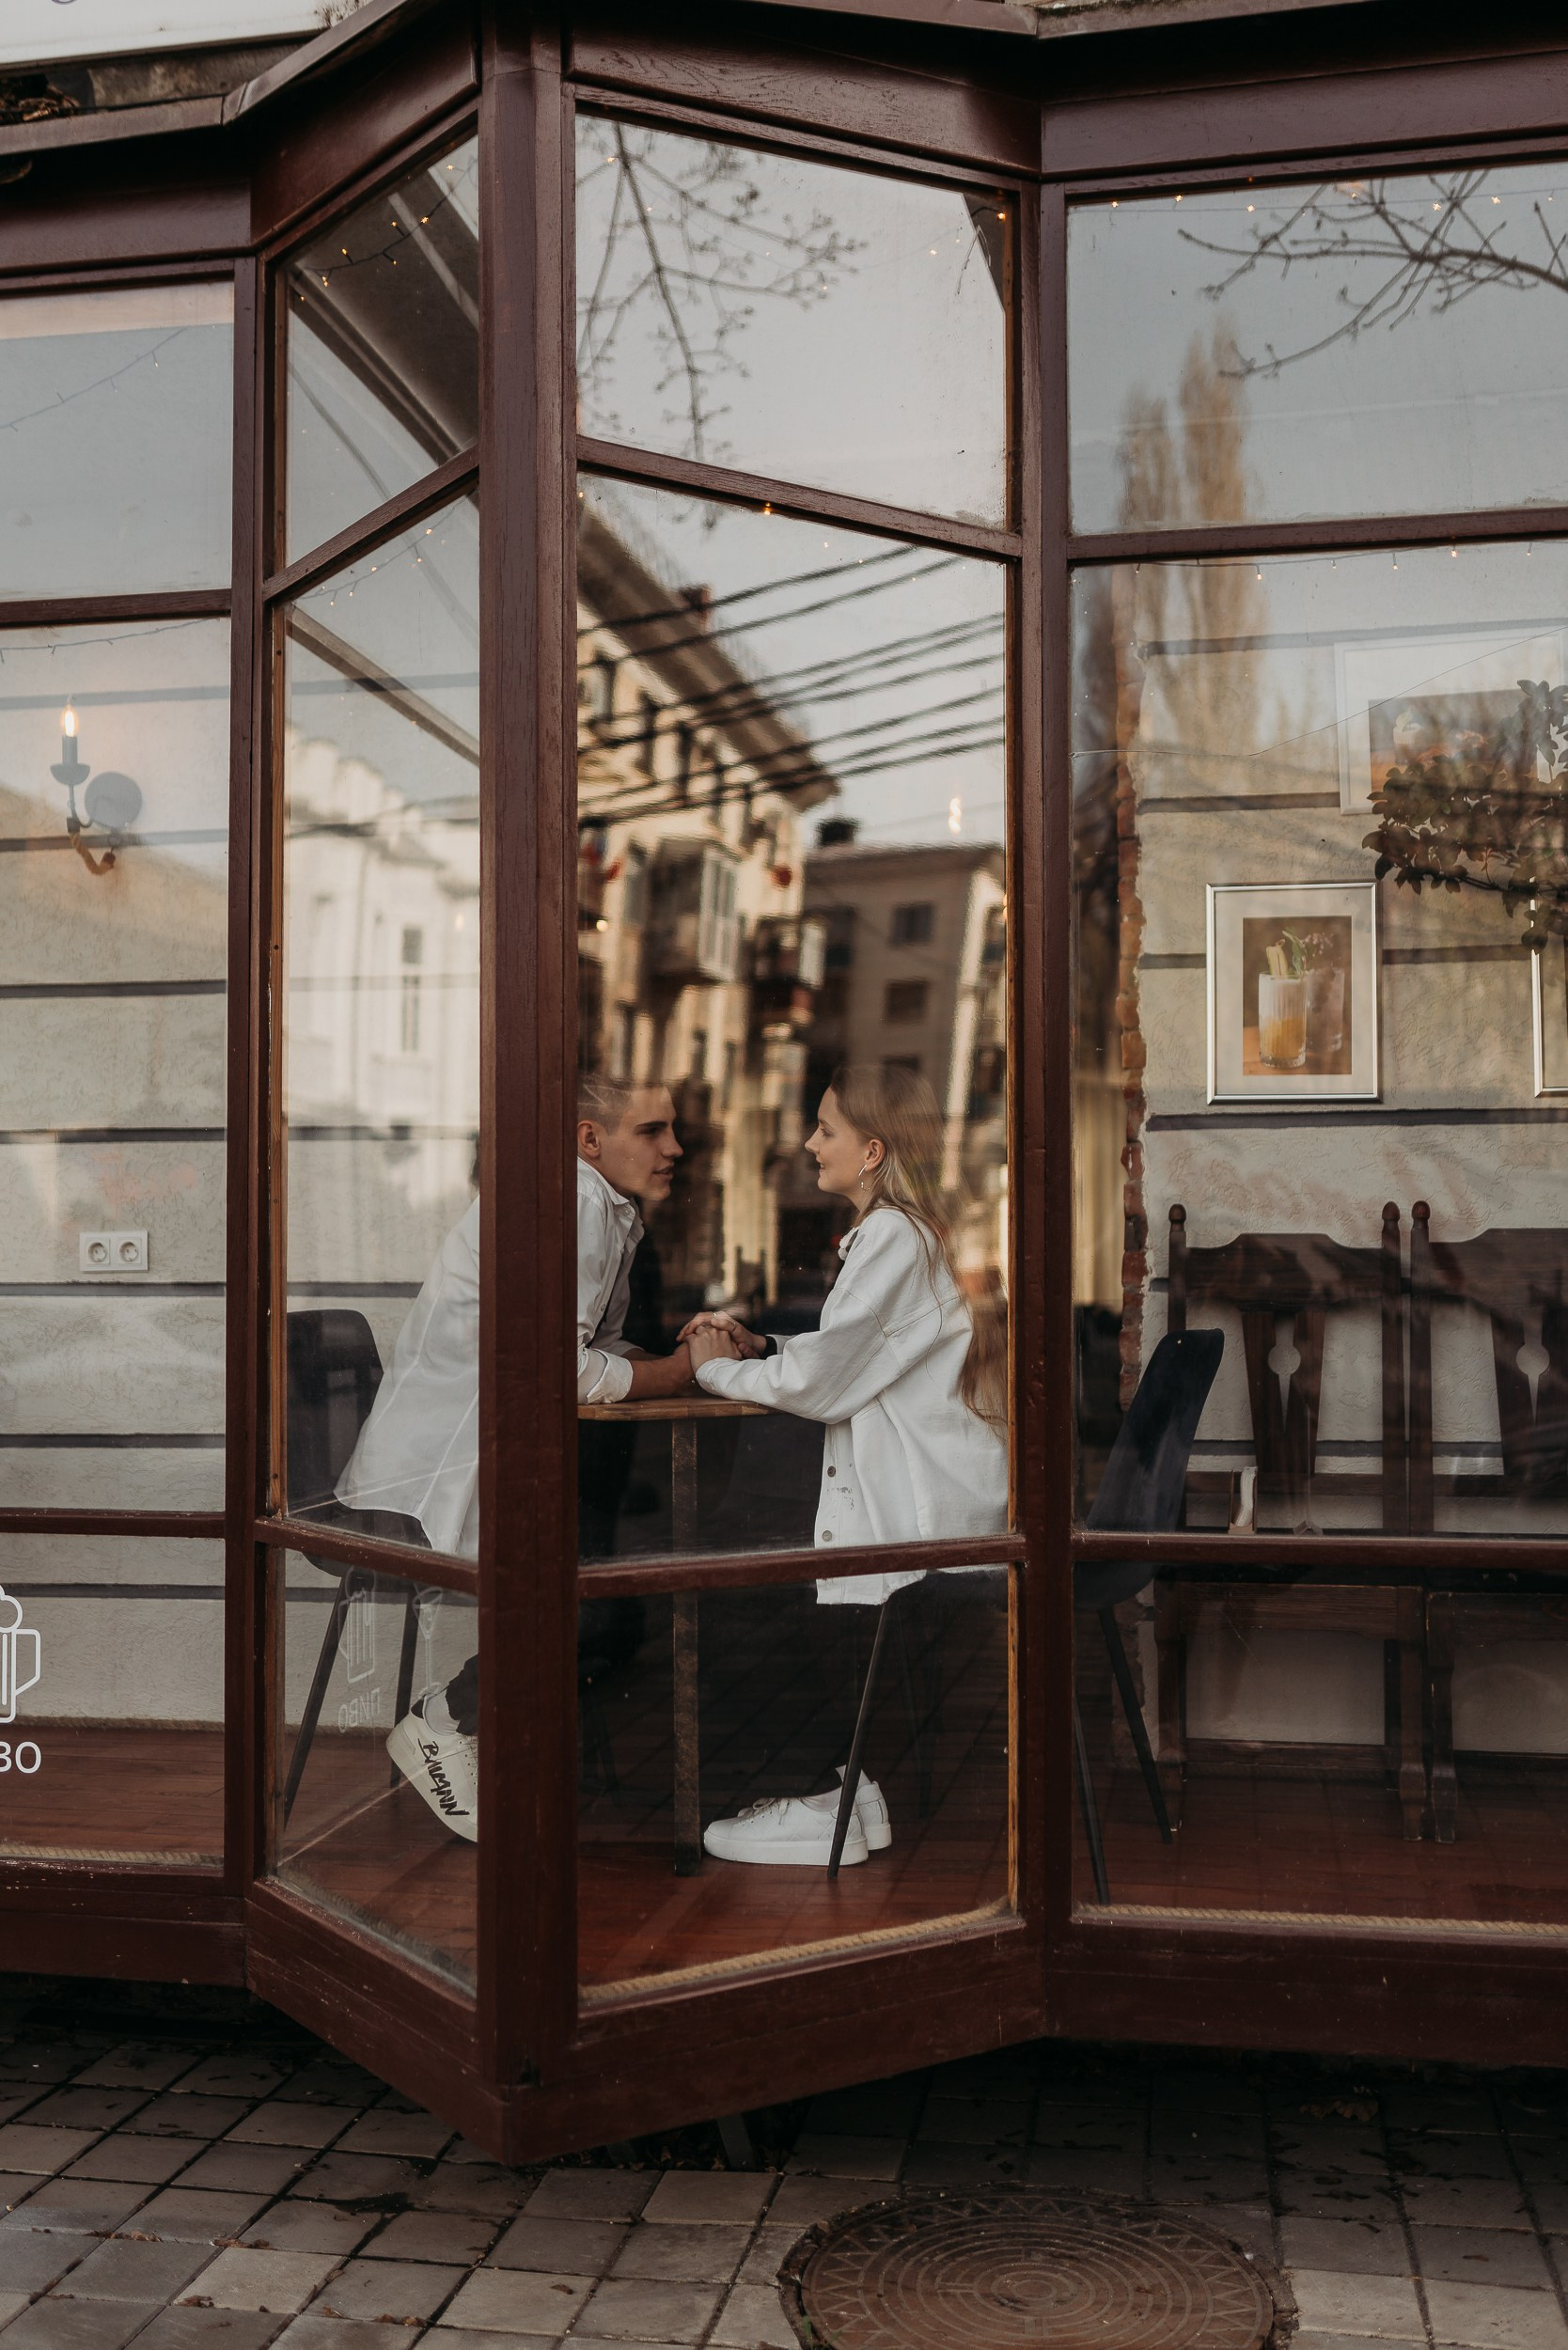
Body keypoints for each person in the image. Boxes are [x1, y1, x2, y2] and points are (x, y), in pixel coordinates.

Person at [335, 1073, 696, 1840]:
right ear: (589, 1139)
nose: (676, 1148)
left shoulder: (593, 1202)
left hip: (467, 1467)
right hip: (429, 1485)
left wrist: (688, 1353)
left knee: (592, 1588)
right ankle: (443, 1721)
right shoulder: (574, 1201)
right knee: (583, 1600)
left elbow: (589, 1347)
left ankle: (490, 1740)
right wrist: (680, 1371)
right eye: (654, 1131)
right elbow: (560, 1373)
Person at [682, 1062, 1007, 1869]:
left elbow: (825, 1385)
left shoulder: (896, 1234)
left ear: (872, 1151)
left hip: (927, 1503)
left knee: (732, 1587)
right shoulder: (902, 1233)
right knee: (752, 1569)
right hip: (923, 1484)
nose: (808, 1142)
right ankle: (843, 1789)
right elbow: (854, 1356)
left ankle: (818, 1796)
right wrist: (765, 1346)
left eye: (825, 1129)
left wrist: (709, 1368)